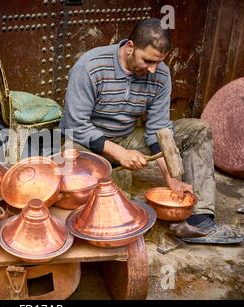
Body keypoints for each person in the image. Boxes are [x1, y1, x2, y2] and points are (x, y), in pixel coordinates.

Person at [59, 18, 243, 244]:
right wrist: (118, 153)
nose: (153, 69)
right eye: (147, 61)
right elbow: (74, 125)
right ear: (129, 48)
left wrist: (172, 178)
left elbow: (158, 129)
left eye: (159, 62)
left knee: (198, 129)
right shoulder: (90, 66)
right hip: (85, 144)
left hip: (128, 138)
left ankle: (199, 220)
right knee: (69, 164)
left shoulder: (160, 74)